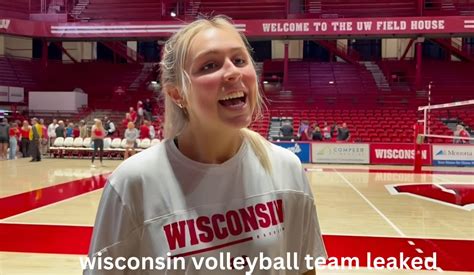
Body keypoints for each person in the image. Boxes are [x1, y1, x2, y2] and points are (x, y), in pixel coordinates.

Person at [87, 16, 326, 274]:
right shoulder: (133, 182)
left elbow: (303, 268)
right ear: (177, 94)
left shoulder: (286, 169)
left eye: (239, 60)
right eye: (209, 65)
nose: (233, 72)